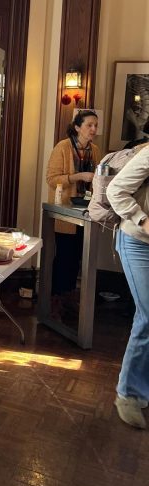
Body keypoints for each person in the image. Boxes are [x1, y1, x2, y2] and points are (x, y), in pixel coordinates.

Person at [106, 145, 149, 428]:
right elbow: (116, 191)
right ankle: (128, 393)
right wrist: (143, 219)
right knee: (148, 315)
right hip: (137, 242)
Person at [46, 110, 101, 311]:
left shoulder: (94, 150)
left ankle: (69, 294)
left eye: (96, 125)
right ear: (77, 127)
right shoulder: (63, 147)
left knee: (78, 255)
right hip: (65, 211)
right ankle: (56, 297)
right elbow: (52, 179)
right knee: (64, 255)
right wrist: (77, 177)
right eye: (89, 125)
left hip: (86, 211)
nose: (94, 129)